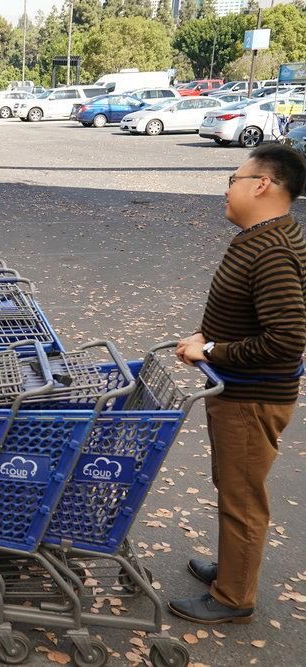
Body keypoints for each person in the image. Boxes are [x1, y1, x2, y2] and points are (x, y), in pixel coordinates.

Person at [171, 144, 305, 625]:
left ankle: (233, 597)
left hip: (252, 397)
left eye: (234, 178)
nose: (227, 188)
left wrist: (210, 352)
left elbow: (286, 340)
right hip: (241, 390)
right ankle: (233, 569)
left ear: (262, 184)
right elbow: (254, 314)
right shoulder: (264, 237)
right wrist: (209, 335)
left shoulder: (272, 249)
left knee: (242, 497)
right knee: (233, 485)